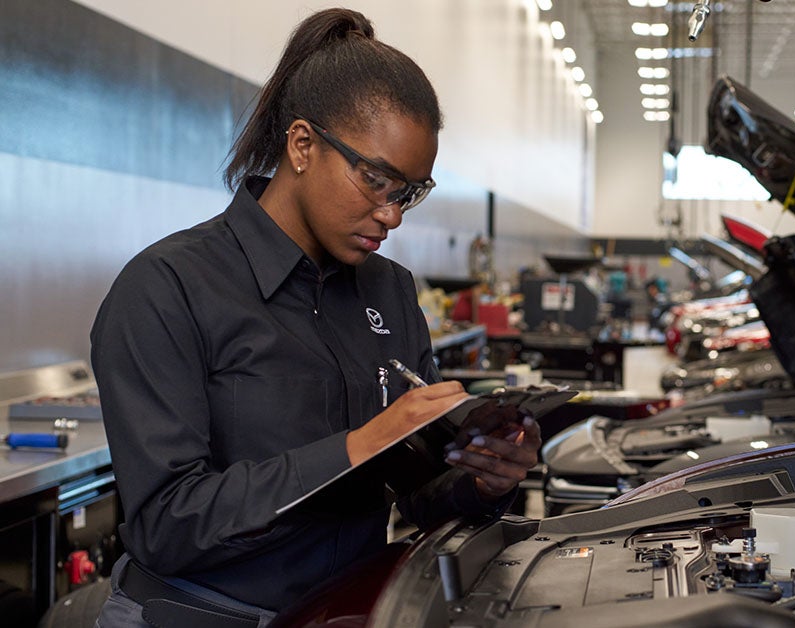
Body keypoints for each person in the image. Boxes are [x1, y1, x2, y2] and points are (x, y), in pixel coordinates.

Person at [89, 9, 539, 626]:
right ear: (302, 146)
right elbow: (168, 522)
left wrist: (485, 478)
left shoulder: (390, 293)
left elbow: (419, 494)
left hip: (345, 609)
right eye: (377, 181)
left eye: (409, 192)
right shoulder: (169, 287)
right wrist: (358, 446)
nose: (392, 215)